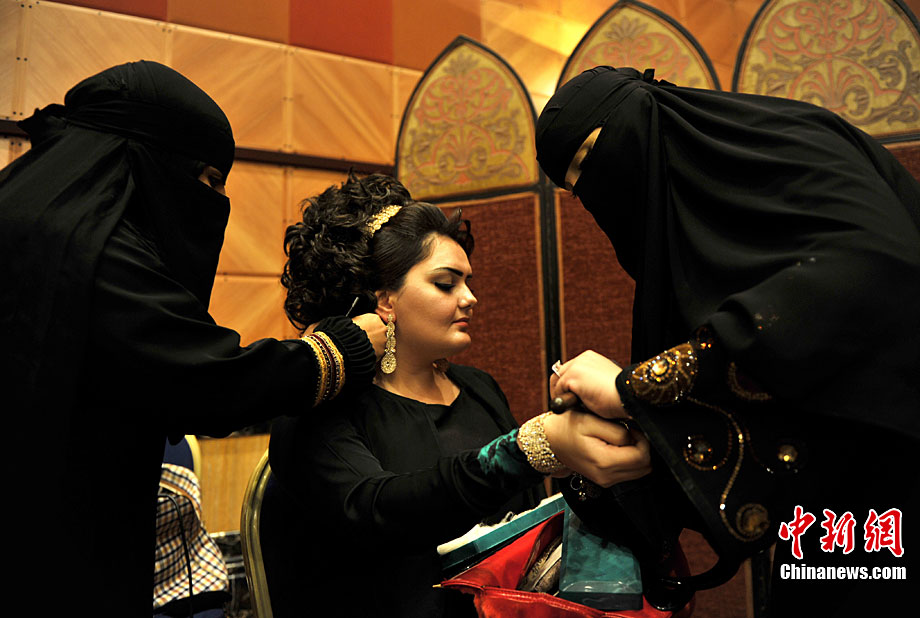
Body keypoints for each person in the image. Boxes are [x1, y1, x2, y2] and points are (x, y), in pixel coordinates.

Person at [0, 61, 386, 615]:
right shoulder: (88, 249)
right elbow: (204, 379)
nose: (215, 201)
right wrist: (338, 352)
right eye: (208, 182)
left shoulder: (27, 216)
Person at [536, 66, 920, 616]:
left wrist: (640, 388)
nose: (591, 190)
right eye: (574, 187)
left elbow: (872, 276)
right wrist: (636, 433)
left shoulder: (789, 146)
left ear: (644, 117)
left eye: (590, 158)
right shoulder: (691, 234)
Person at [268, 173, 653, 617]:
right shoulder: (317, 410)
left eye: (468, 281)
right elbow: (379, 511)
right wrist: (528, 449)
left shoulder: (478, 387)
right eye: (446, 284)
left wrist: (586, 454)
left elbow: (524, 528)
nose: (471, 298)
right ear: (385, 300)